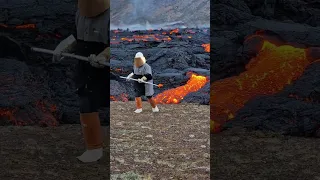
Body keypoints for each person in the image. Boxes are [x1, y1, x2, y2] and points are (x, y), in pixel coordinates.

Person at [52, 0, 110, 163]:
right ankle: (94, 148)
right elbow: (76, 36)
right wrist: (64, 46)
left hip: (105, 68)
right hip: (85, 66)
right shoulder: (80, 13)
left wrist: (104, 56)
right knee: (86, 101)